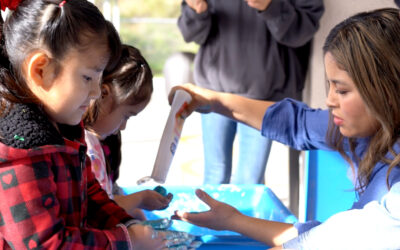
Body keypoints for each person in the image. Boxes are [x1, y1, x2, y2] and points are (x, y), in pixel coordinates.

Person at [170, 8, 400, 248]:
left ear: (387, 92)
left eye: (342, 91)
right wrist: (232, 220)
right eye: (330, 87)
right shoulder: (365, 128)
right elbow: (297, 123)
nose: (330, 100)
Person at [0, 0, 165, 249]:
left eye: (99, 78)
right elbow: (47, 245)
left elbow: (90, 193)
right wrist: (124, 241)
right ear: (41, 70)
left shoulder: (64, 129)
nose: (96, 92)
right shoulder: (21, 152)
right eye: (88, 77)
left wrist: (126, 224)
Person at [177, 0, 324, 185]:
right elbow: (191, 34)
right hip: (214, 89)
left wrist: (270, 7)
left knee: (249, 181)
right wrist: (198, 11)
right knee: (214, 176)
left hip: (264, 95)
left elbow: (301, 32)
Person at [83, 44, 173, 219]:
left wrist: (135, 209)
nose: (123, 127)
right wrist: (140, 199)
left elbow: (108, 196)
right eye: (126, 116)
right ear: (103, 94)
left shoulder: (95, 140)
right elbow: (98, 210)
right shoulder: (85, 147)